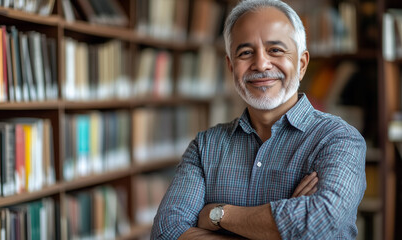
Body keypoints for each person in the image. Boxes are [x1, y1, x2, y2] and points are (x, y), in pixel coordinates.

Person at [151, 0, 366, 239]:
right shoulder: (205, 146)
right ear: (231, 67)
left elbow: (323, 221)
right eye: (245, 53)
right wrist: (284, 228)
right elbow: (166, 232)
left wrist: (218, 215)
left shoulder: (338, 139)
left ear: (302, 64)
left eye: (275, 50)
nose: (261, 64)